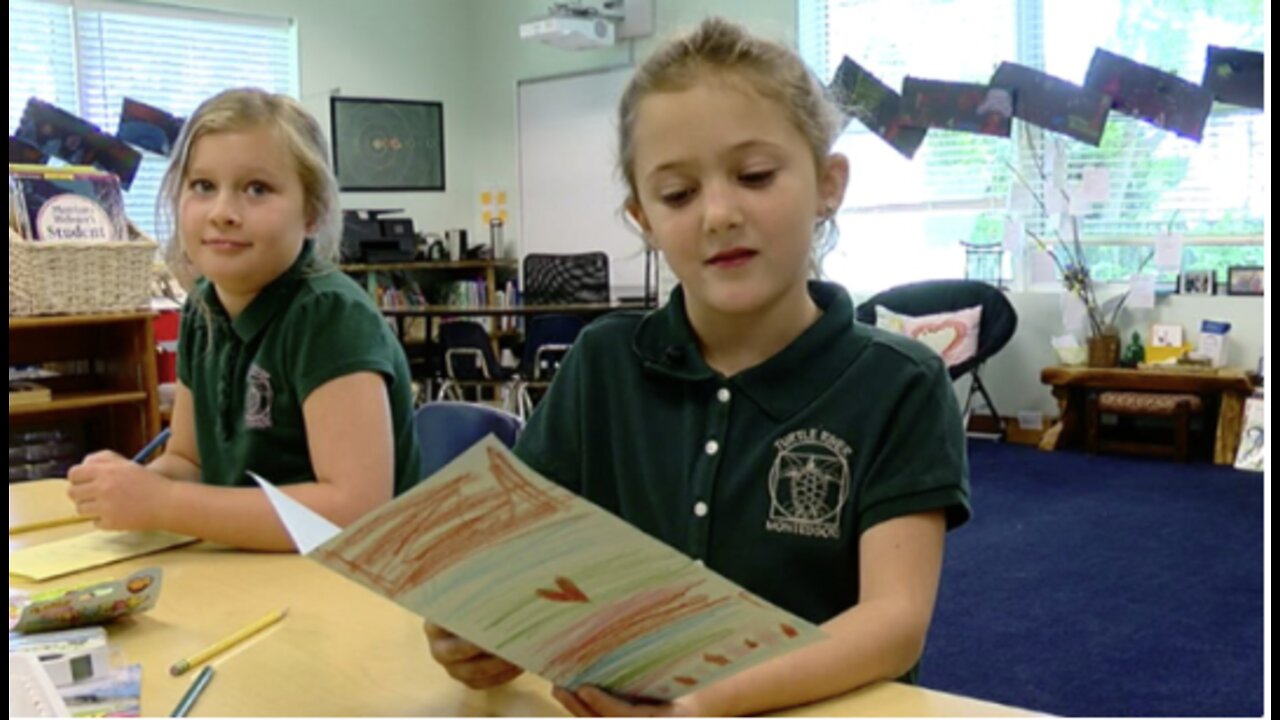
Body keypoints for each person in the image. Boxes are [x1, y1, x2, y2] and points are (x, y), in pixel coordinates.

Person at [426, 17, 970, 717]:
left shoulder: (900, 383)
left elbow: (892, 624)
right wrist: (481, 630)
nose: (717, 213)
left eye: (754, 176)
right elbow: (520, 572)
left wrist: (704, 703)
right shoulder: (602, 365)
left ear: (828, 183)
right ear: (643, 218)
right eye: (678, 194)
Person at [66, 89, 422, 552]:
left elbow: (352, 511)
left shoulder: (331, 317)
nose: (222, 213)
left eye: (257, 189)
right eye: (203, 186)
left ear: (311, 212)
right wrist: (132, 490)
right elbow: (189, 461)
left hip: (359, 588)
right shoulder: (203, 309)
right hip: (251, 575)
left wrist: (165, 504)